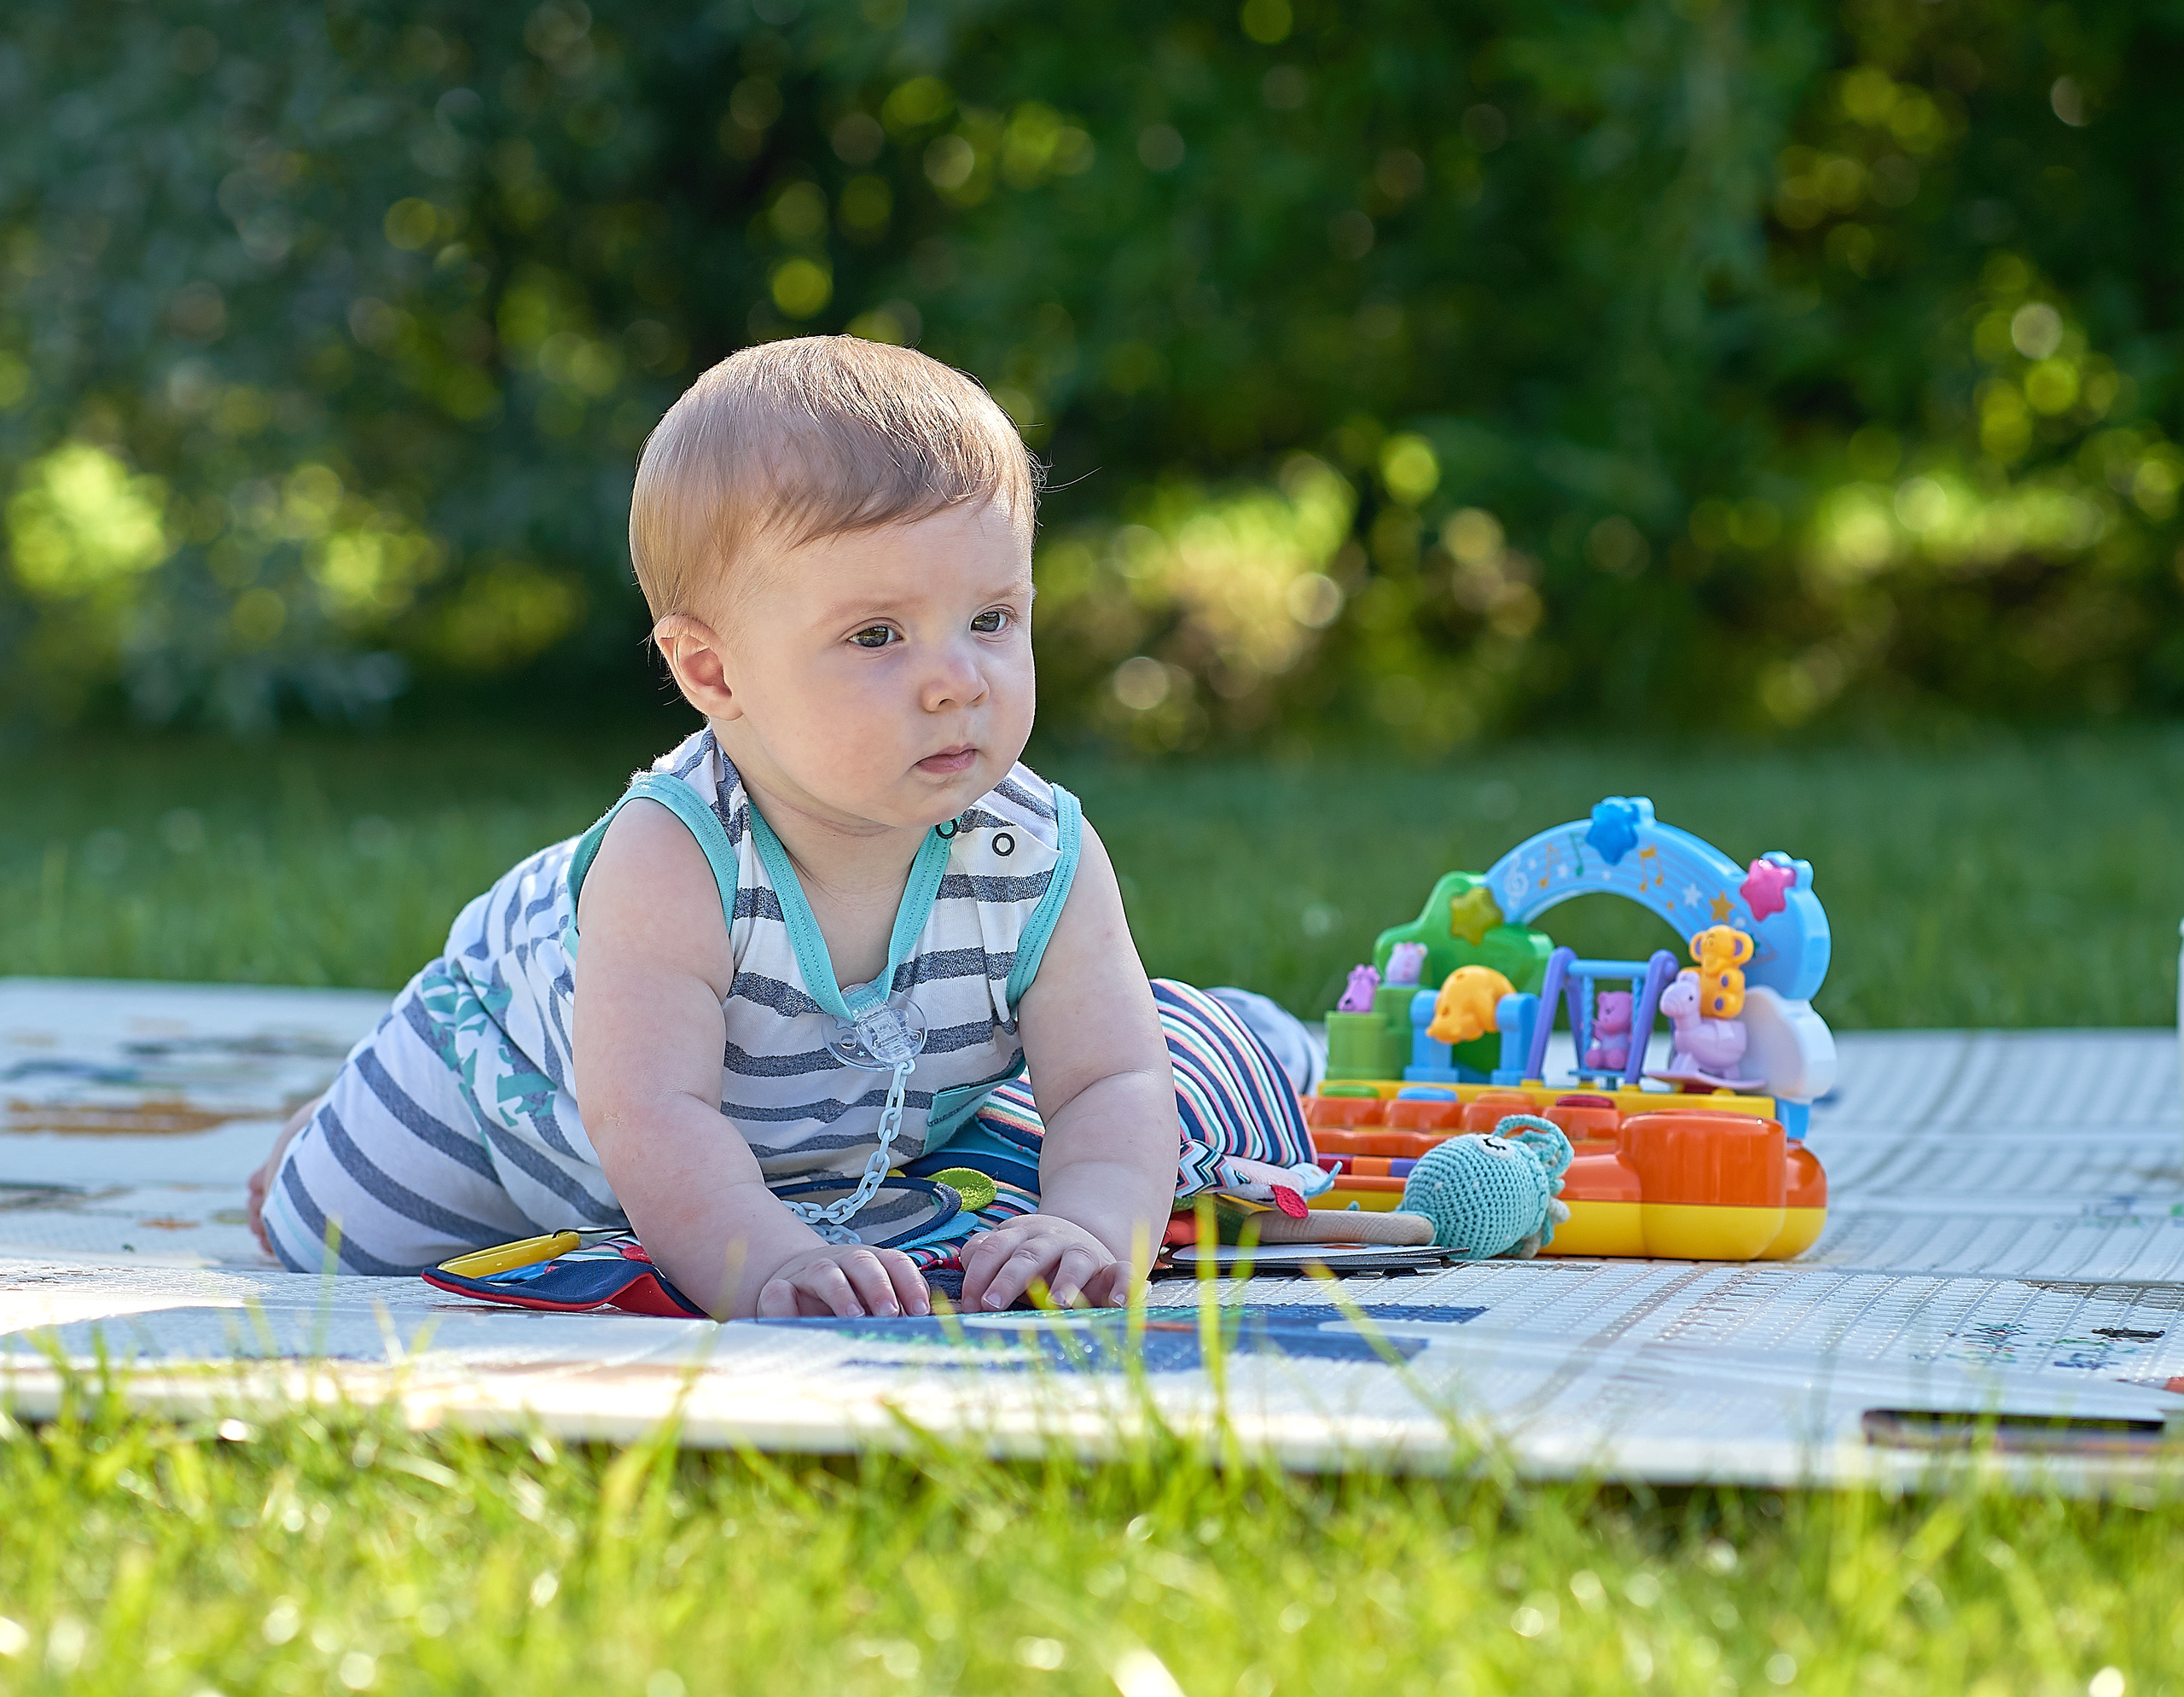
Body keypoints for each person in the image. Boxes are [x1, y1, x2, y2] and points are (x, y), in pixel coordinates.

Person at [248, 337, 1319, 1320]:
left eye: (991, 620)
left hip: (815, 1140)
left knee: (984, 1178)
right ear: (713, 671)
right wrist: (763, 1264)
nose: (956, 681)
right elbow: (651, 1116)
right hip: (511, 1097)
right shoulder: (674, 860)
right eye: (875, 636)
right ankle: (308, 1142)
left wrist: (1090, 1228)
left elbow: (1109, 1081)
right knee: (336, 1242)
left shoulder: (1038, 855)